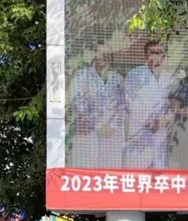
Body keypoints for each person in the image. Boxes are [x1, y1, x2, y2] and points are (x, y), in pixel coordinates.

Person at [71, 38, 125, 167]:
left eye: (105, 54)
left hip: (112, 136)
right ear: (93, 54)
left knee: (110, 175)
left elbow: (122, 106)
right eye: (98, 52)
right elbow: (79, 103)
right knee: (88, 173)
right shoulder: (81, 76)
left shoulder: (118, 79)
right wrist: (98, 125)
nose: (101, 57)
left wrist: (111, 127)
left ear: (110, 57)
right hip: (88, 134)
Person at [125, 40, 175, 169]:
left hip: (161, 130)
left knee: (159, 170)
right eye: (151, 52)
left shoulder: (170, 78)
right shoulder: (134, 75)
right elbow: (130, 102)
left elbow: (173, 105)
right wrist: (148, 121)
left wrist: (162, 120)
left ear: (163, 57)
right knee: (139, 171)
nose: (155, 56)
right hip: (140, 129)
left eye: (158, 53)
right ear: (145, 55)